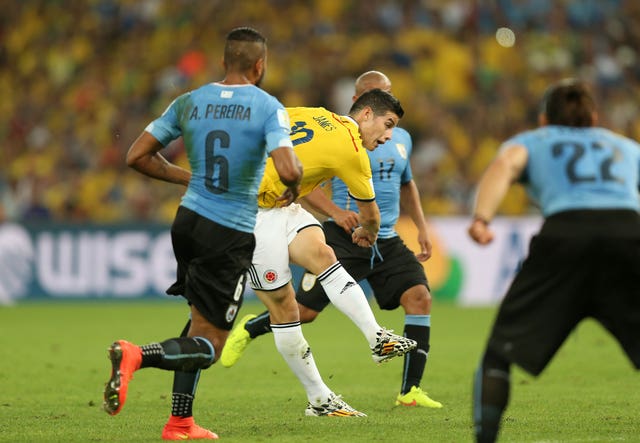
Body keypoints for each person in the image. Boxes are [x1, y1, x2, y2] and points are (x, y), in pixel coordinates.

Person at [102, 27, 302, 440]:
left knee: (197, 324)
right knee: (210, 346)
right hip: (227, 231)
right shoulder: (268, 106)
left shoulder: (189, 101)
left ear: (224, 62)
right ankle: (137, 355)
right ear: (260, 65)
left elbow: (136, 155)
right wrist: (295, 181)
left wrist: (190, 178)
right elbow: (287, 168)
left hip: (188, 222)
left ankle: (179, 422)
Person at [221, 71, 442, 409]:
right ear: (364, 109)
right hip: (253, 214)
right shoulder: (352, 151)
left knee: (326, 259)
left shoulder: (320, 115)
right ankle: (317, 396)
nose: (387, 136)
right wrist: (353, 221)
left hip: (287, 207)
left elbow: (273, 120)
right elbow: (369, 215)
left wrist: (284, 172)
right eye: (386, 124)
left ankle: (379, 342)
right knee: (290, 311)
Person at [468, 78, 640, 443]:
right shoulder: (625, 146)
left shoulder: (534, 141)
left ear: (544, 120)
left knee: (499, 353)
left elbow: (505, 166)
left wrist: (482, 218)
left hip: (566, 235)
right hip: (629, 235)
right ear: (594, 118)